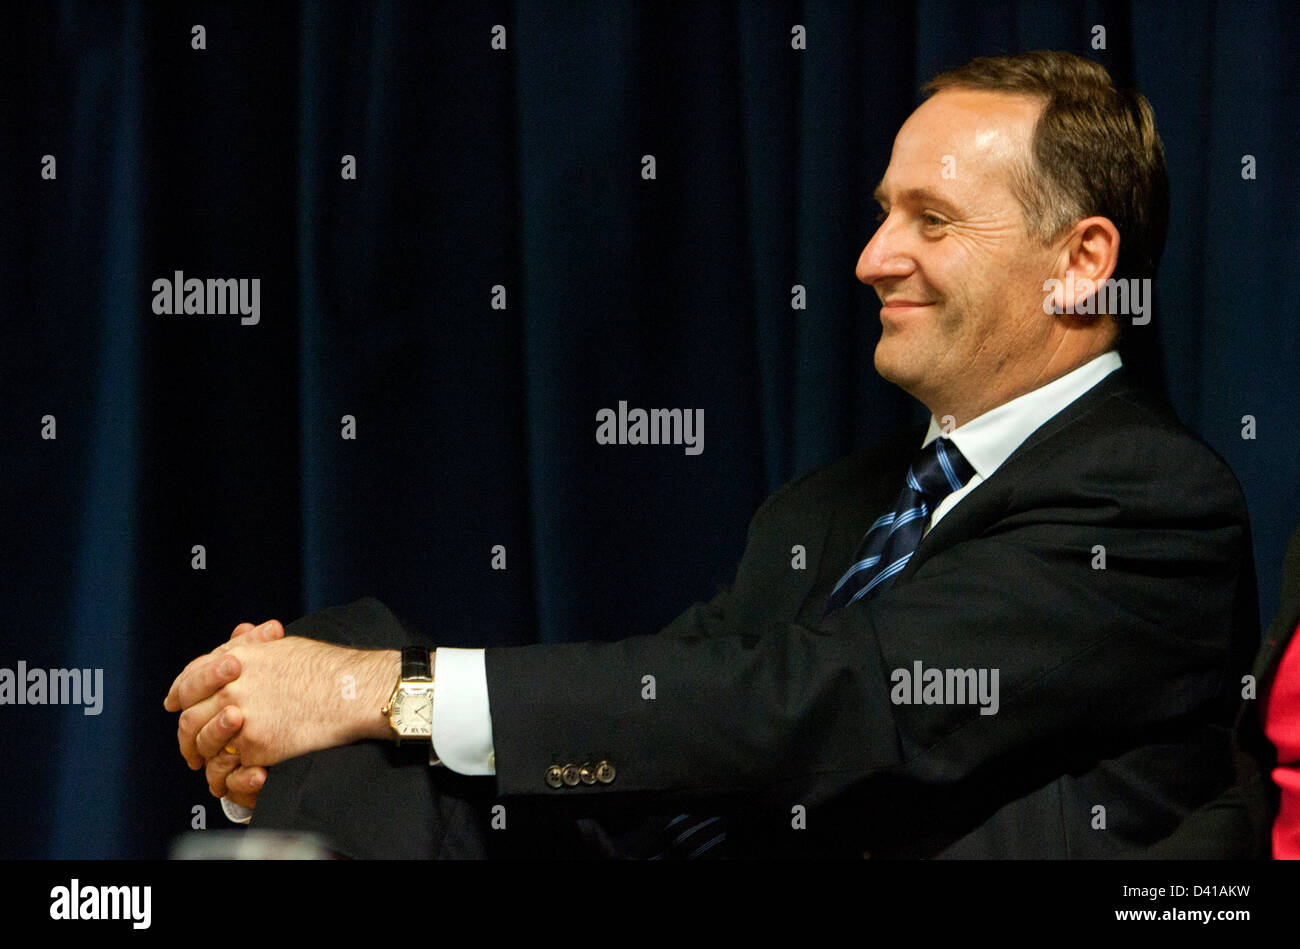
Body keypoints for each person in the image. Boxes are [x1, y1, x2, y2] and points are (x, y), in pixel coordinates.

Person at [164, 50, 1261, 858]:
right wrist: (324, 714)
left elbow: (815, 702)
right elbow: (673, 717)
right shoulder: (828, 506)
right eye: (883, 213)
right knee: (337, 668)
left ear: (1081, 262)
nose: (874, 256)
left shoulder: (1150, 501)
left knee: (372, 692)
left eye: (931, 220)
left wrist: (390, 695)